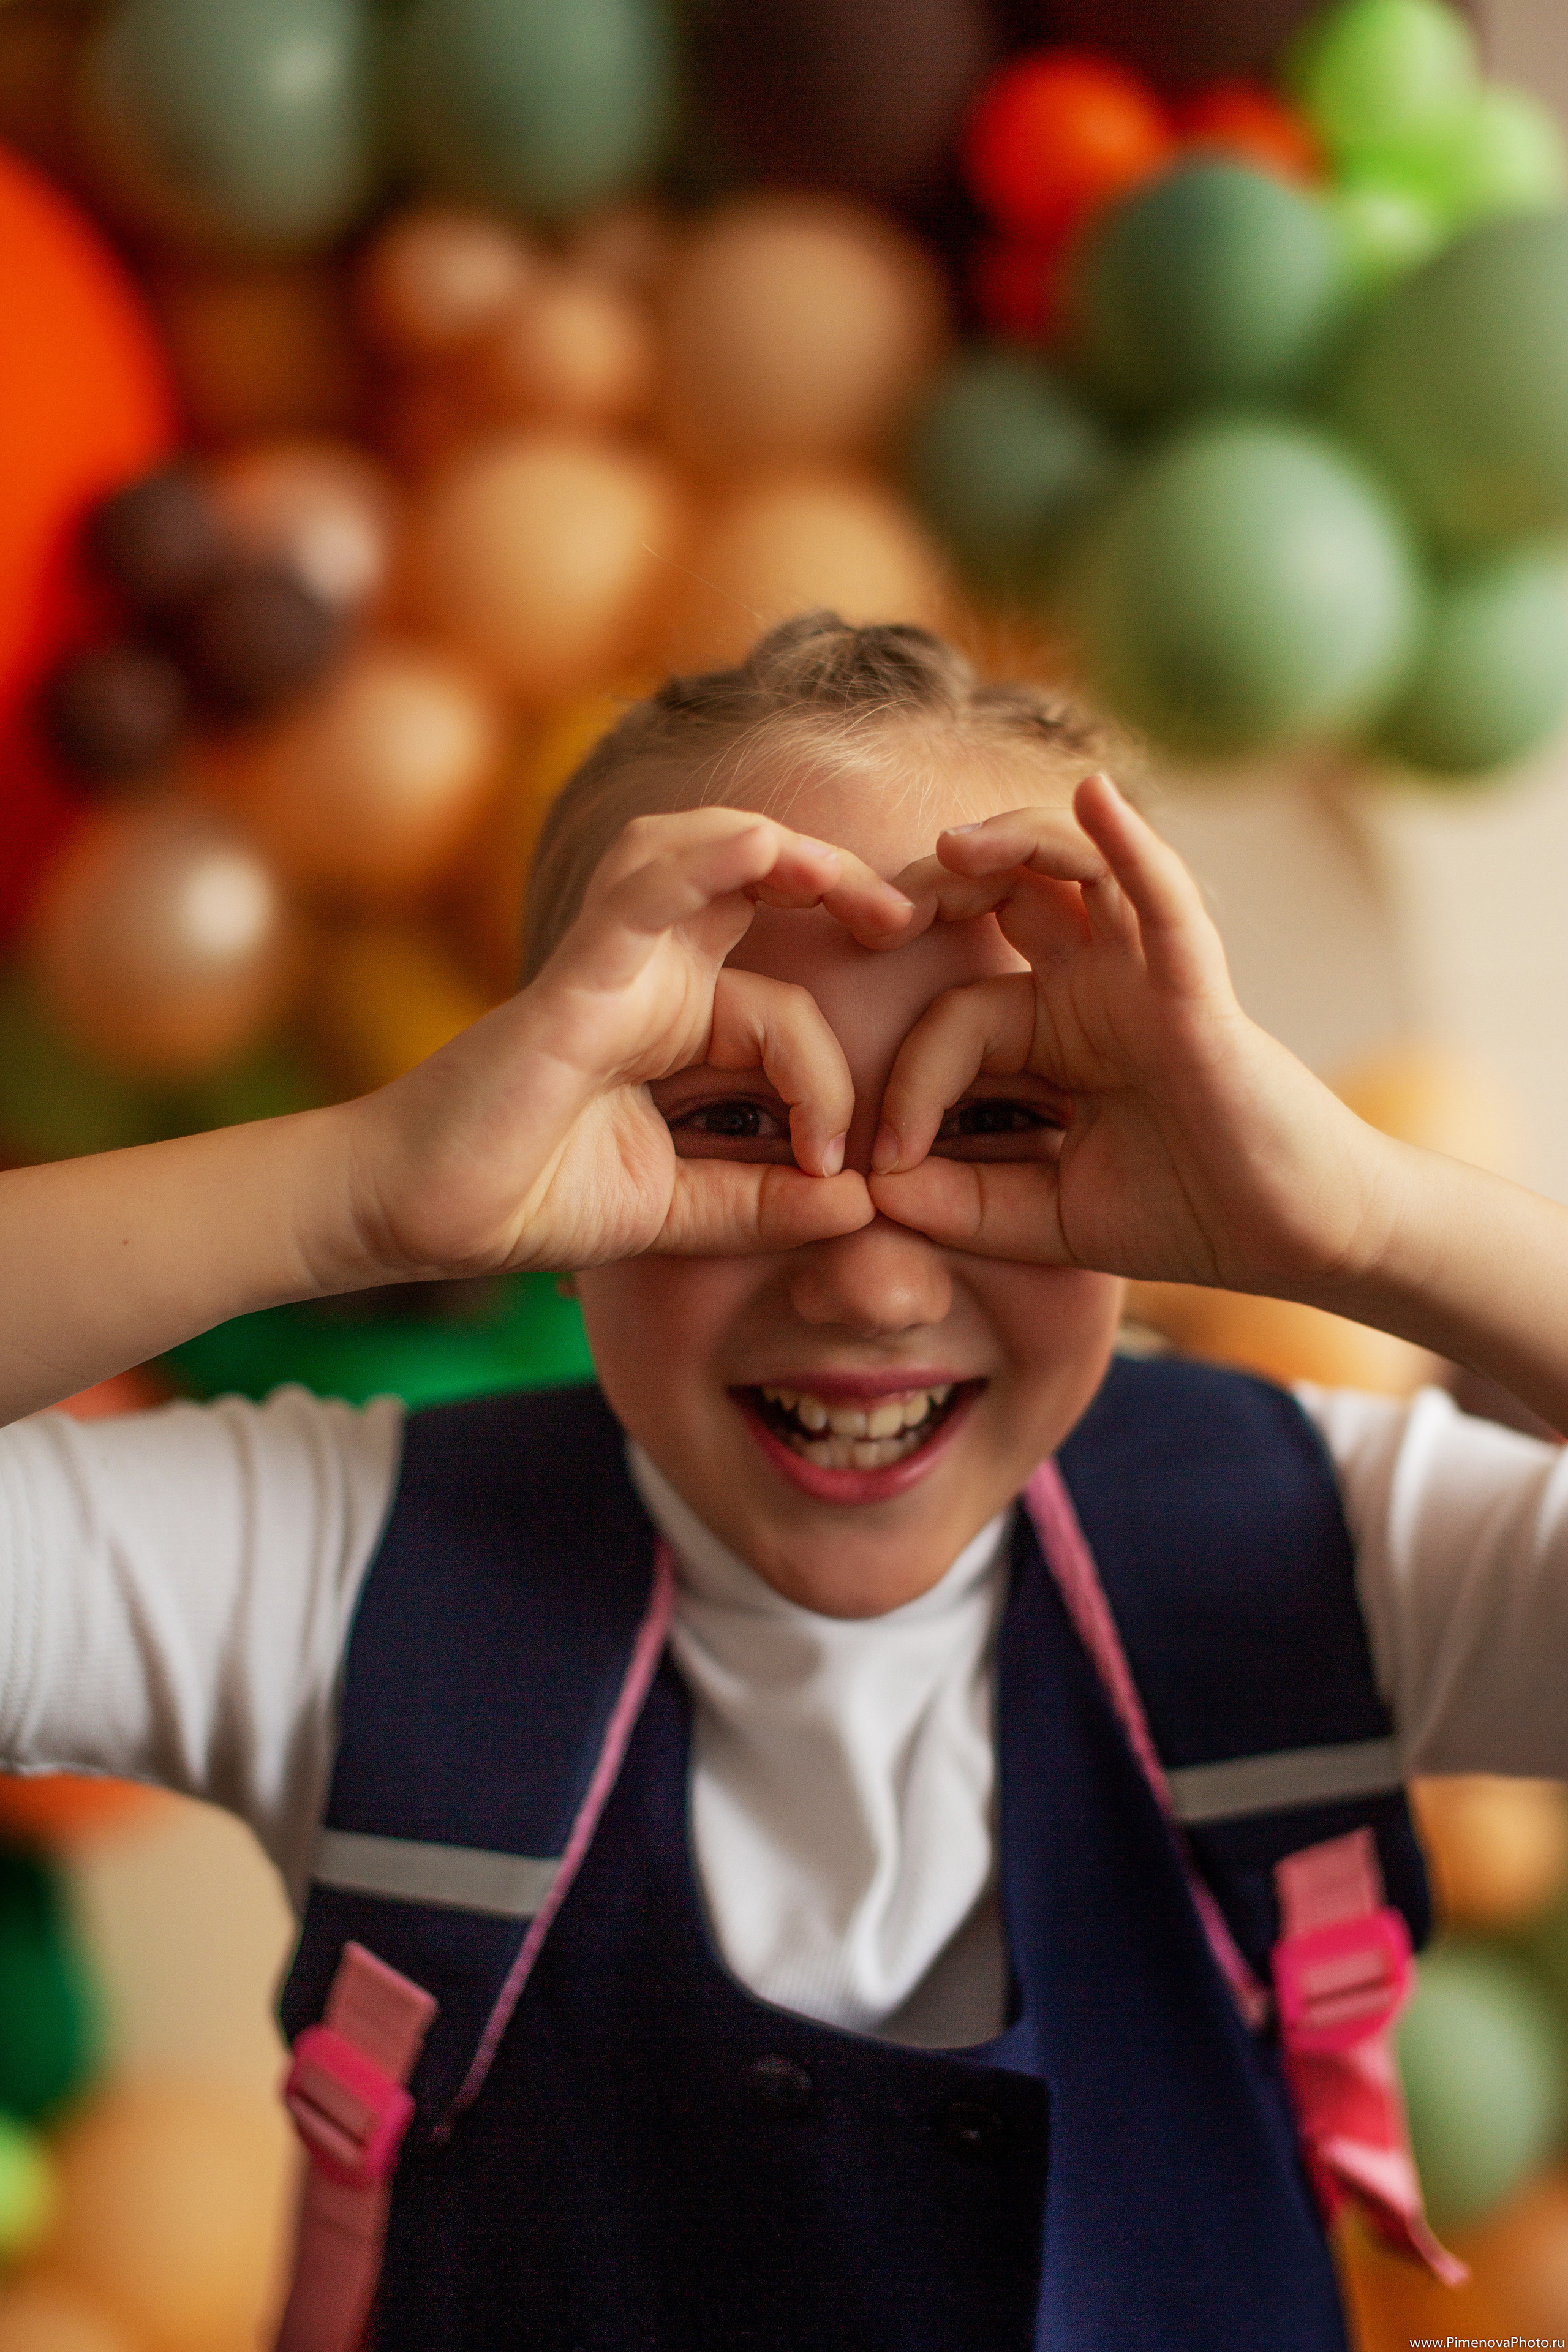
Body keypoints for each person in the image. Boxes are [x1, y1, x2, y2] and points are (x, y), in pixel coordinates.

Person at [5, 613, 1568, 2352]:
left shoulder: (1312, 1545)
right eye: (727, 1119)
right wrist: (366, 1185)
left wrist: (1355, 1213)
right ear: (534, 1146)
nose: (873, 1281)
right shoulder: (352, 1571)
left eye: (1002, 1117)